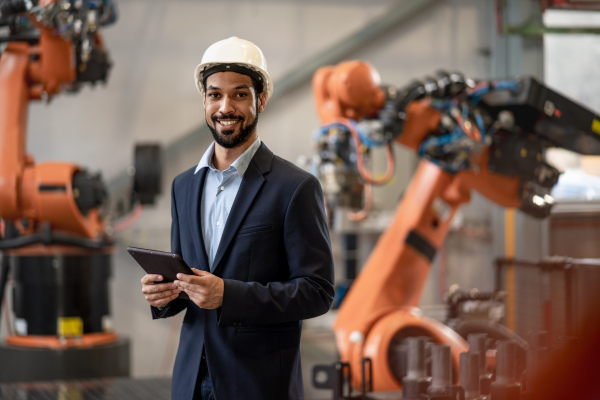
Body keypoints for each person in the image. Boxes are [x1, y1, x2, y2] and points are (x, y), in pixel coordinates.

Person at [140, 36, 335, 400]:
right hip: (190, 383)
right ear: (204, 101)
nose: (225, 107)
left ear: (260, 100)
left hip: (257, 384)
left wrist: (229, 295)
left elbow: (318, 292)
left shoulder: (295, 187)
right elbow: (188, 279)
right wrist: (164, 295)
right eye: (215, 95)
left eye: (240, 94)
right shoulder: (183, 186)